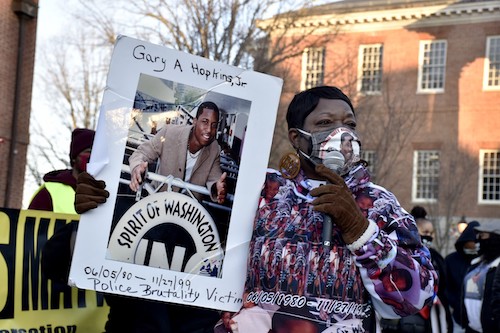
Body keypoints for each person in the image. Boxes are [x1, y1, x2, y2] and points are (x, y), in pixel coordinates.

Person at [239, 86, 437, 332]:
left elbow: (417, 297)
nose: (342, 133)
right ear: (296, 137)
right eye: (324, 122)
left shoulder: (380, 202)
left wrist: (361, 231)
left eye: (349, 124)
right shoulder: (263, 189)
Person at [129, 101, 227, 204]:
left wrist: (218, 187)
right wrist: (137, 167)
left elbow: (215, 178)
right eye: (205, 122)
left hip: (187, 213)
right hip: (157, 204)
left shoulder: (214, 148)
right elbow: (142, 152)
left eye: (214, 125)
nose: (209, 129)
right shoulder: (169, 133)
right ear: (195, 122)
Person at [28, 128, 95, 213]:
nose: (93, 157)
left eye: (97, 154)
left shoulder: (107, 193)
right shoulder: (49, 192)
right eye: (89, 152)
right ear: (74, 157)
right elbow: (31, 225)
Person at [461, 221, 500, 333]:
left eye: (482, 235)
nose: (477, 239)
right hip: (471, 328)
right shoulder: (475, 264)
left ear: (495, 238)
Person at [445, 221, 480, 333]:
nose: (475, 244)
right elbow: (445, 286)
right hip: (457, 316)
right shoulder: (451, 260)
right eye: (473, 241)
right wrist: (455, 303)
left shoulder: (485, 262)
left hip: (479, 318)